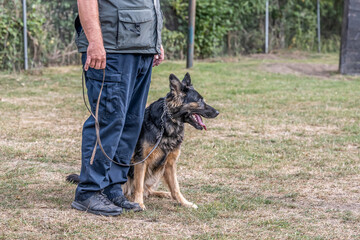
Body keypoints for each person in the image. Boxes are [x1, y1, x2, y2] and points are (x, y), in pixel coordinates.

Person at [71, 0, 164, 216]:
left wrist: (155, 41)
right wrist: (94, 41)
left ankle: (113, 186)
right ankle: (89, 191)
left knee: (131, 121)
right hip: (112, 49)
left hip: (140, 48)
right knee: (108, 119)